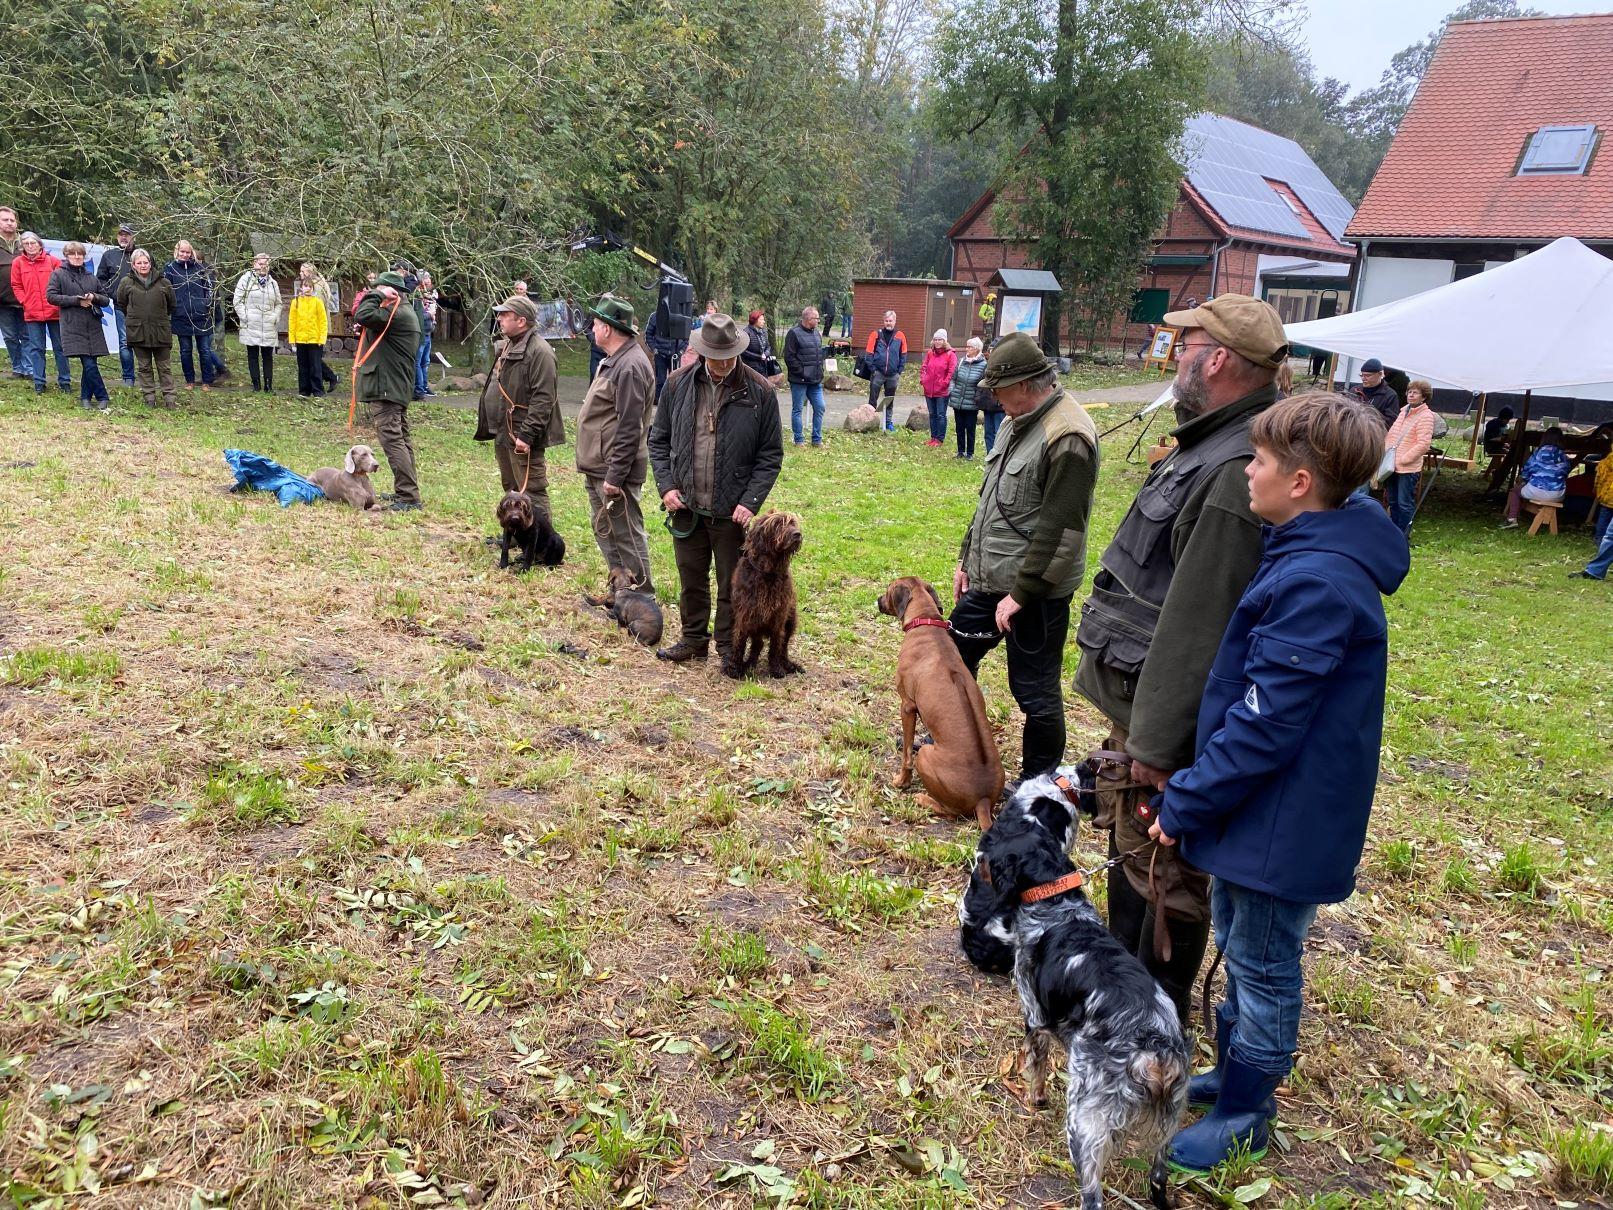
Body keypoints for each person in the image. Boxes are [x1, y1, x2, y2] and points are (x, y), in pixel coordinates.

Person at [1148, 393, 1408, 1172]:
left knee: (1262, 958)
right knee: (1239, 931)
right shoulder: (1306, 553)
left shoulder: (1318, 582)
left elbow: (1265, 722)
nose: (1247, 472)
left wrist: (1187, 798)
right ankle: (1233, 1072)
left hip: (1285, 816)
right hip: (1267, 812)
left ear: (1299, 482)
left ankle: (1246, 1110)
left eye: (1258, 460)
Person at [1073, 293, 1294, 1023]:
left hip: (1166, 730)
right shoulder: (1207, 445)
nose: (1171, 358)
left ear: (1219, 358)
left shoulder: (1234, 469)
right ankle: (1120, 1004)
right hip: (1142, 709)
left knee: (1165, 878)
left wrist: (1159, 745)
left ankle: (1151, 1027)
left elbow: (1202, 624)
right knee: (1135, 860)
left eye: (1184, 344)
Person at [951, 331, 1099, 777]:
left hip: (1035, 593)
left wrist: (1024, 592)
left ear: (1025, 383)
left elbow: (1062, 531)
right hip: (989, 576)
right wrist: (965, 560)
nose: (992, 398)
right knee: (953, 656)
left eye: (997, 389)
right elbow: (990, 499)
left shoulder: (1068, 436)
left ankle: (1039, 781)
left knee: (1034, 691)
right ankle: (955, 739)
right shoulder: (1016, 420)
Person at [648, 313, 783, 663]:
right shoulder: (677, 384)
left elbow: (770, 455)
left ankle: (727, 645)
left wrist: (750, 502)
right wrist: (666, 487)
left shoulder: (760, 392)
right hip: (686, 506)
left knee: (732, 585)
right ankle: (693, 640)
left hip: (731, 510)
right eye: (714, 355)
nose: (722, 362)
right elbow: (658, 441)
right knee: (690, 579)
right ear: (702, 351)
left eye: (728, 355)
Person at [576, 295, 656, 596]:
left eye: (596, 324)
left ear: (608, 329)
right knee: (606, 531)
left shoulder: (630, 366)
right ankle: (620, 593)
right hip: (599, 465)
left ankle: (642, 597)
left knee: (627, 536)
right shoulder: (616, 360)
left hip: (613, 471)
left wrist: (615, 476)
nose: (592, 330)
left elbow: (630, 427)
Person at [475, 294, 561, 520]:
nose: (500, 318)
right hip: (505, 430)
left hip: (523, 433)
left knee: (532, 490)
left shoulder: (541, 352)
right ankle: (516, 535)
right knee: (511, 487)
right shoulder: (509, 345)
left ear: (521, 321)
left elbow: (544, 398)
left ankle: (541, 545)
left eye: (505, 315)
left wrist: (527, 434)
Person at [354, 270, 424, 511]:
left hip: (388, 388)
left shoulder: (396, 312)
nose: (377, 294)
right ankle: (406, 491)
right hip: (394, 386)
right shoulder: (402, 313)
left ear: (392, 293)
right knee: (401, 440)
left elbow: (362, 314)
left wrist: (376, 294)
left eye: (381, 290)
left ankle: (408, 497)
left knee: (393, 441)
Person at [46, 242, 113, 410]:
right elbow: (51, 297)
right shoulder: (58, 274)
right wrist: (76, 300)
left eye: (80, 254)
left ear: (84, 256)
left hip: (93, 325)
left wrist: (93, 297)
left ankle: (85, 398)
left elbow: (105, 299)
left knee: (89, 364)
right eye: (73, 254)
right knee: (88, 363)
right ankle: (102, 396)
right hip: (72, 324)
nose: (77, 257)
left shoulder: (91, 277)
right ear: (67, 256)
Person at [9, 233, 70, 393]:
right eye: (26, 243)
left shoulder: (53, 261)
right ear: (22, 246)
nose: (30, 246)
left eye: (33, 243)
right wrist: (25, 301)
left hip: (54, 312)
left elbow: (63, 282)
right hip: (32, 313)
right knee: (36, 349)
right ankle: (39, 383)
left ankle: (65, 382)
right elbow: (16, 285)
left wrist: (58, 301)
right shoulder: (18, 263)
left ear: (40, 244)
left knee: (60, 348)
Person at [117, 249, 177, 408]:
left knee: (164, 367)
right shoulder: (126, 283)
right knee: (144, 367)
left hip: (161, 331)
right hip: (138, 332)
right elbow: (122, 304)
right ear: (134, 265)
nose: (143, 265)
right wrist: (136, 318)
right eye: (139, 263)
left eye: (146, 262)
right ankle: (149, 397)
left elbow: (172, 305)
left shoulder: (164, 282)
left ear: (151, 263)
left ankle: (169, 398)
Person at [1381, 379, 1437, 534]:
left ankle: (1403, 534)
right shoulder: (1403, 411)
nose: (1411, 395)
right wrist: (1386, 453)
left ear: (1423, 397)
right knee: (1392, 501)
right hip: (1391, 464)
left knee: (1404, 503)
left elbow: (1423, 444)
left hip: (1407, 467)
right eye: (1409, 392)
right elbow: (1392, 435)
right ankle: (1394, 533)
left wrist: (1403, 459)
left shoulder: (1425, 416)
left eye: (1415, 392)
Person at [164, 241, 219, 390]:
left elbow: (209, 288)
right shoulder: (170, 269)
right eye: (182, 252)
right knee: (185, 350)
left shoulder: (200, 269)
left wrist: (205, 304)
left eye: (187, 252)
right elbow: (166, 291)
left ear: (191, 253)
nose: (184, 255)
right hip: (181, 316)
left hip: (201, 316)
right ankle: (190, 380)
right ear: (176, 252)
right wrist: (173, 308)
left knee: (205, 350)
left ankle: (207, 380)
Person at [232, 253, 283, 393]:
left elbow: (279, 304)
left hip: (268, 325)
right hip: (251, 324)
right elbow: (237, 301)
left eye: (266, 265)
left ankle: (268, 386)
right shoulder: (245, 280)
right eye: (260, 264)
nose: (263, 267)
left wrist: (275, 317)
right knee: (252, 355)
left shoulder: (273, 283)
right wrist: (245, 316)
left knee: (268, 356)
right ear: (254, 264)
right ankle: (256, 386)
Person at [94, 222, 138, 386]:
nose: (123, 237)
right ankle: (128, 377)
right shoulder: (109, 255)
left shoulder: (142, 255)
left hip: (143, 307)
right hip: (121, 306)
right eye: (121, 234)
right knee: (125, 341)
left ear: (133, 236)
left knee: (144, 342)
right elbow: (101, 278)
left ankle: (148, 376)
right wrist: (112, 293)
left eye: (127, 234)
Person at [1501, 428, 1570, 528]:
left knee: (1515, 491)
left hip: (1536, 490)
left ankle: (1512, 519)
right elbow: (1566, 472)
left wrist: (1524, 479)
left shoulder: (1538, 453)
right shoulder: (1564, 456)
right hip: (1558, 494)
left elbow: (1526, 473)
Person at [783, 305, 826, 447]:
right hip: (799, 380)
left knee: (820, 407)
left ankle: (816, 439)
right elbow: (789, 357)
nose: (818, 321)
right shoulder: (793, 333)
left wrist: (820, 371)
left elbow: (818, 354)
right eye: (816, 318)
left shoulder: (816, 333)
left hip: (815, 380)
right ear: (808, 318)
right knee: (798, 409)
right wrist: (803, 372)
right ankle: (799, 439)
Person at [865, 310, 907, 430]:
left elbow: (903, 354)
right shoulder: (876, 334)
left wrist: (899, 371)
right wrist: (873, 369)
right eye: (886, 321)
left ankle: (888, 422)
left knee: (889, 399)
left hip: (893, 374)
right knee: (873, 399)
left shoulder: (900, 335)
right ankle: (870, 422)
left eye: (891, 321)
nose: (888, 323)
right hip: (878, 373)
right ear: (883, 321)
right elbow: (869, 353)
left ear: (895, 321)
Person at [287, 278, 329, 398]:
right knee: (303, 367)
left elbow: (323, 322)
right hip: (300, 339)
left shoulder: (318, 302)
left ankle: (318, 391)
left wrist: (322, 339)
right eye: (305, 286)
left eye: (310, 286)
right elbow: (292, 321)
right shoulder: (296, 302)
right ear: (301, 287)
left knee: (315, 366)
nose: (308, 288)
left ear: (313, 288)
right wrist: (292, 339)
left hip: (315, 340)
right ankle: (304, 391)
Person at [948, 336, 987, 459]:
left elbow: (982, 384)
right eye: (967, 346)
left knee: (970, 428)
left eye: (969, 346)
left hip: (972, 402)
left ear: (976, 349)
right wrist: (952, 391)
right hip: (958, 400)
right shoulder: (961, 362)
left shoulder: (983, 365)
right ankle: (960, 451)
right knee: (959, 427)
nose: (967, 349)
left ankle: (970, 453)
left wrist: (977, 397)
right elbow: (953, 379)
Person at [0, 206, 27, 379]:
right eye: (5, 220)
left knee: (28, 336)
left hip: (25, 299)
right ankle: (18, 368)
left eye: (12, 220)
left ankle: (29, 368)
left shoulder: (27, 243)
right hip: (2, 301)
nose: (9, 223)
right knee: (10, 336)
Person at [920, 329, 957, 447]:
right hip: (929, 389)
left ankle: (940, 439)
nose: (937, 342)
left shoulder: (950, 354)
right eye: (935, 339)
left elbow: (951, 372)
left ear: (944, 340)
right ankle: (933, 437)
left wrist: (944, 383)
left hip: (942, 391)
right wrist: (923, 380)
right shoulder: (930, 353)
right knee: (932, 414)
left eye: (940, 339)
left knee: (941, 414)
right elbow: (924, 367)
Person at [643, 305, 687, 402]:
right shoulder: (655, 316)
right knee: (661, 381)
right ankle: (659, 403)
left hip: (675, 355)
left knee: (676, 380)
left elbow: (686, 336)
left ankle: (675, 402)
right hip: (660, 354)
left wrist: (681, 351)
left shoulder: (681, 316)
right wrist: (654, 349)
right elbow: (648, 334)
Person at [1347, 357, 1399, 427]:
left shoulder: (1390, 396)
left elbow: (1390, 423)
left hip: (1373, 436)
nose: (1363, 378)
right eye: (1361, 375)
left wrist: (1364, 421)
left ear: (1380, 374)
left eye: (1368, 375)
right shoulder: (1354, 390)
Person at [415, 270, 438, 400]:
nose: (428, 280)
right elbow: (419, 315)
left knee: (425, 362)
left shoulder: (432, 293)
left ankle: (424, 387)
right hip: (421, 332)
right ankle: (419, 389)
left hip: (428, 331)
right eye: (425, 278)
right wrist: (429, 315)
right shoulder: (417, 294)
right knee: (418, 362)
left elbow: (433, 309)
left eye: (429, 277)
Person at [740, 309, 780, 380]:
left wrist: (766, 354)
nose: (764, 322)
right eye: (761, 319)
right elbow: (743, 351)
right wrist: (759, 356)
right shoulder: (746, 332)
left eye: (763, 320)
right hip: (750, 368)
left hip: (764, 367)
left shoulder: (763, 332)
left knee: (764, 387)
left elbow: (768, 346)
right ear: (754, 320)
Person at [979, 377, 1004, 454]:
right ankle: (989, 455)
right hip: (987, 407)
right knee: (988, 433)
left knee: (999, 434)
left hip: (999, 408)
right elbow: (980, 385)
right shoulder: (986, 368)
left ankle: (999, 455)